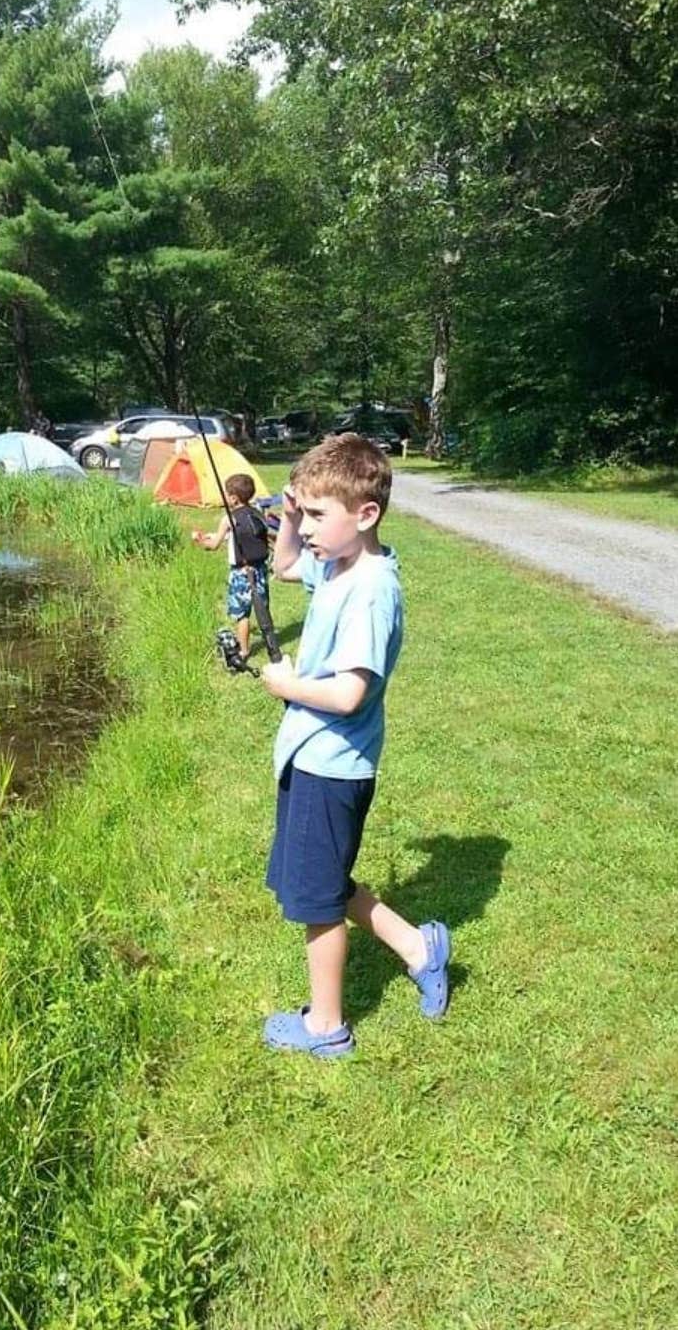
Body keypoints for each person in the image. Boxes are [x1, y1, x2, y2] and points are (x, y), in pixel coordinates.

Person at [258, 433, 450, 1058]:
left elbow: (350, 694)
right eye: (303, 513)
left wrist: (288, 684)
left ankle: (326, 1027)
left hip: (332, 765)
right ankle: (421, 949)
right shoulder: (337, 564)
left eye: (318, 515)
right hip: (310, 756)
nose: (306, 528)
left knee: (318, 901)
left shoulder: (370, 589)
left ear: (365, 514)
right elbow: (284, 565)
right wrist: (289, 519)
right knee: (322, 879)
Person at [190, 473, 272, 660]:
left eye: (227, 494)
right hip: (259, 569)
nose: (225, 497)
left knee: (242, 615)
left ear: (234, 498)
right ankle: (271, 644)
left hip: (241, 574)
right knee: (262, 609)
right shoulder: (258, 512)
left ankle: (244, 650)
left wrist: (199, 540)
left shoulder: (229, 519)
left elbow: (213, 545)